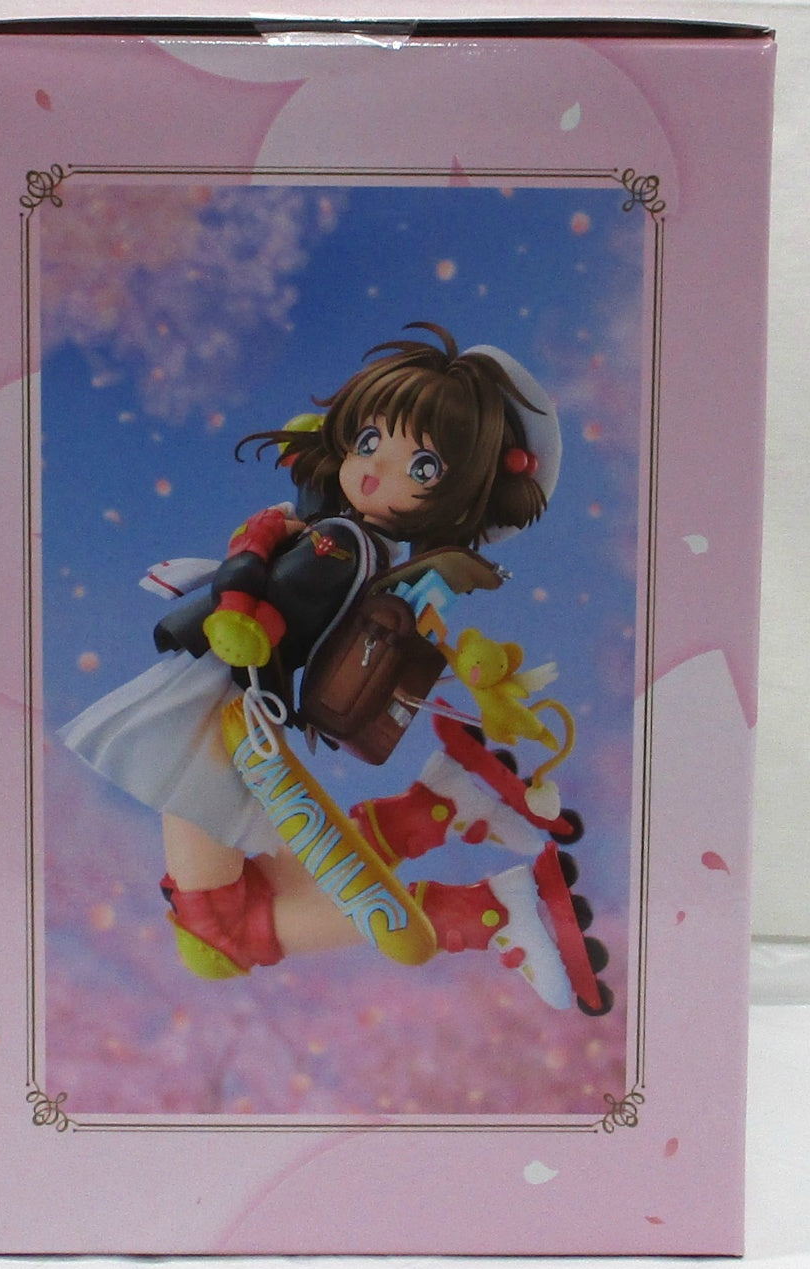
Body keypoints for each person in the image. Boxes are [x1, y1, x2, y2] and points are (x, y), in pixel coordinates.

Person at [61, 322, 599, 1008]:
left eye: (422, 468)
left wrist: (249, 567)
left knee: (216, 935)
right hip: (227, 709)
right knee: (241, 905)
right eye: (369, 441)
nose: (375, 469)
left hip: (210, 711)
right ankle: (443, 813)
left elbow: (266, 594)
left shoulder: (340, 549)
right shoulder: (355, 545)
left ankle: (488, 909)